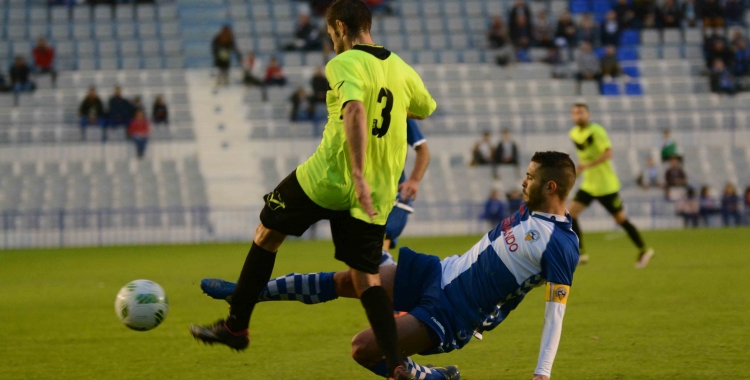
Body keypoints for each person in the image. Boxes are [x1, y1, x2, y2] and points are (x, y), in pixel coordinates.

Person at [189, 2, 437, 380]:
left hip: (329, 178)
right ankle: (397, 366)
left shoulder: (343, 63)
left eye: (330, 32)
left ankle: (236, 327)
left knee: (267, 235)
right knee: (366, 277)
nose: (330, 38)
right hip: (377, 193)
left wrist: (356, 171)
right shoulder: (400, 67)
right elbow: (423, 108)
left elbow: (353, 110)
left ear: (339, 27)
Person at [201, 152, 581, 380]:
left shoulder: (561, 245)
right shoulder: (531, 210)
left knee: (364, 348)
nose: (523, 180)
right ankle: (244, 293)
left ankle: (425, 376)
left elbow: (555, 315)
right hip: (439, 272)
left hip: (455, 313)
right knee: (353, 279)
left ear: (551, 188)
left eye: (530, 177)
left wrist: (542, 372)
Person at [567, 103, 654, 267]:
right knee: (570, 215)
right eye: (575, 113)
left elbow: (608, 153)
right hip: (589, 185)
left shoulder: (597, 131)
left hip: (606, 186)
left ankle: (644, 250)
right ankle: (580, 253)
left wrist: (587, 166)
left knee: (621, 219)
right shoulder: (574, 134)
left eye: (581, 112)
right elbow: (584, 158)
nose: (578, 115)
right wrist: (577, 172)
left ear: (588, 114)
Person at [383, 119, 430, 253]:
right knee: (362, 262)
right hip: (365, 194)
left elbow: (423, 150)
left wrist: (414, 179)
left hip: (393, 197)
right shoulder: (356, 110)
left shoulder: (399, 112)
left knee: (374, 256)